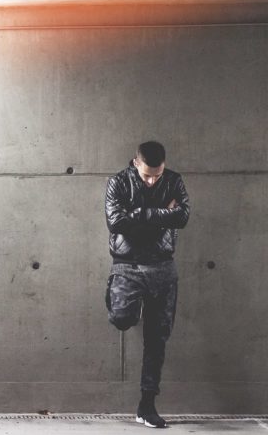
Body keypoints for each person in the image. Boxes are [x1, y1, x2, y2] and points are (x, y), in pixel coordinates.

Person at [104, 141, 190, 429]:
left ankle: (147, 405)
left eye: (158, 175)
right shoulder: (117, 182)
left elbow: (183, 217)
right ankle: (127, 301)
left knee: (157, 338)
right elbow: (116, 223)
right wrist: (160, 214)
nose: (153, 181)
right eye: (146, 176)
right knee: (122, 318)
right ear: (135, 164)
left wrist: (139, 214)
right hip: (127, 265)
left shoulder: (174, 180)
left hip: (163, 266)